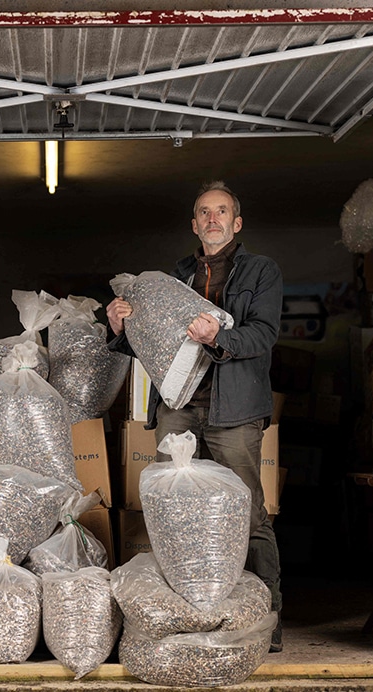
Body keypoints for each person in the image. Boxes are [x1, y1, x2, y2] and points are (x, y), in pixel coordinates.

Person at [107, 180, 284, 652]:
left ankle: (266, 625)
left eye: (221, 211)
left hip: (236, 409)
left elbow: (264, 334)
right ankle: (183, 620)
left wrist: (217, 337)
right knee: (173, 511)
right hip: (178, 407)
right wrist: (122, 329)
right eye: (204, 212)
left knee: (247, 515)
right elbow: (152, 346)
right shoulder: (175, 277)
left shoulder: (261, 271)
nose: (212, 219)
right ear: (193, 223)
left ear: (236, 222)